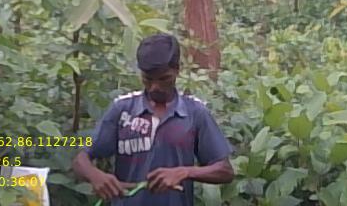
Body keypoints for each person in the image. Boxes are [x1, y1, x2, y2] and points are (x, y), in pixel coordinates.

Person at [73, 33, 234, 205]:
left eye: (164, 79)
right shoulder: (122, 109)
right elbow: (80, 160)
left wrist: (184, 172)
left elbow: (225, 171)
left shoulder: (195, 112)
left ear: (177, 70)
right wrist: (95, 175)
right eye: (148, 79)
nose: (155, 87)